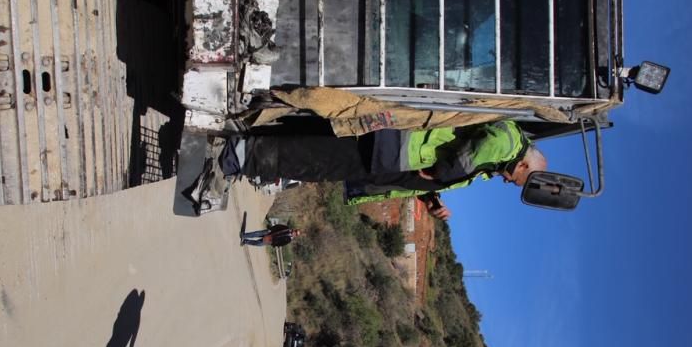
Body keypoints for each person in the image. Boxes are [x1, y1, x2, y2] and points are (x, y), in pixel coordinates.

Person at [222, 119, 546, 220]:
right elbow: (470, 154)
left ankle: (249, 144)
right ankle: (241, 153)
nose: (509, 183)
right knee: (320, 158)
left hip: (392, 159)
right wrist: (442, 174)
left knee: (322, 152)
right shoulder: (507, 141)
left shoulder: (495, 163)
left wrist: (431, 199)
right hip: (394, 148)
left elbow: (452, 164)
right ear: (524, 165)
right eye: (518, 181)